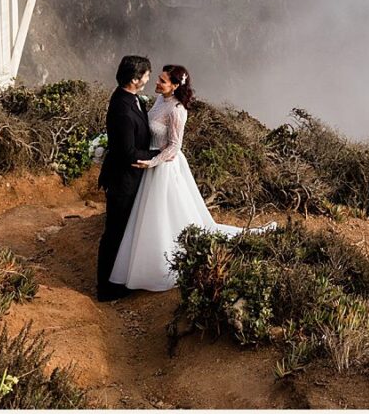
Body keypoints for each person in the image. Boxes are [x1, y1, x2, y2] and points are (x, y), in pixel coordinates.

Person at [109, 63, 273, 292]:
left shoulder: (177, 110)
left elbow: (175, 146)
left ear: (175, 86)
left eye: (162, 80)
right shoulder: (159, 100)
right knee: (147, 215)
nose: (157, 82)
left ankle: (159, 263)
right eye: (157, 78)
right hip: (150, 162)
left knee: (163, 215)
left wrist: (152, 161)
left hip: (164, 165)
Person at [96, 54, 155, 302]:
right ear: (134, 79)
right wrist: (160, 154)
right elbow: (128, 153)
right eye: (146, 75)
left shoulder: (129, 99)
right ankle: (106, 289)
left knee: (123, 231)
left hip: (129, 179)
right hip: (122, 181)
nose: (148, 78)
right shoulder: (123, 109)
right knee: (115, 233)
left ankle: (119, 280)